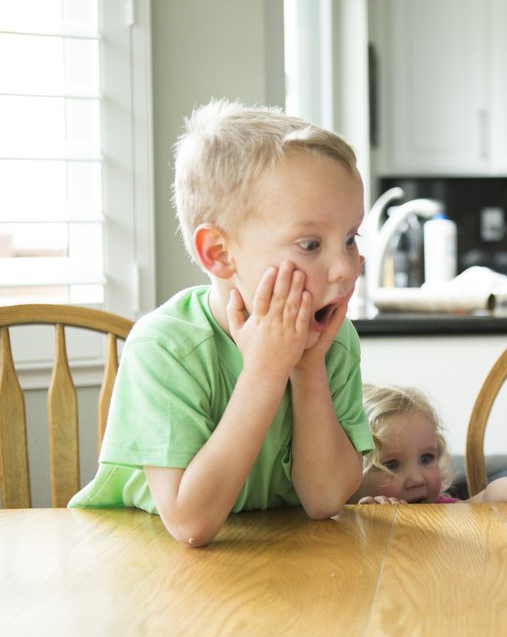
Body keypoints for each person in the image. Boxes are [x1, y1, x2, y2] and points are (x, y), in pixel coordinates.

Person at [69, 100, 374, 545]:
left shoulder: (332, 340)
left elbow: (325, 500)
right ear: (219, 253)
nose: (345, 267)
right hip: (141, 558)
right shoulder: (166, 347)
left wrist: (306, 368)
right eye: (310, 244)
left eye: (349, 239)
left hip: (272, 558)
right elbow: (190, 524)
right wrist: (265, 371)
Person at [352, 384, 507, 506]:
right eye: (391, 465)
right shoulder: (343, 516)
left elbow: (486, 498)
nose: (418, 479)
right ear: (349, 471)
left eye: (426, 459)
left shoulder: (441, 508)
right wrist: (370, 520)